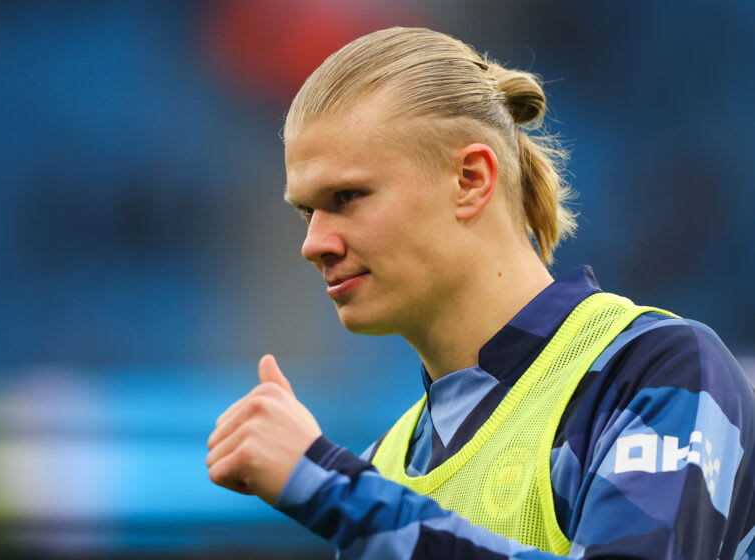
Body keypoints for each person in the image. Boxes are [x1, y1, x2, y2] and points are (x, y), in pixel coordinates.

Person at [205, 27, 755, 559]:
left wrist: (331, 487)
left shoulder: (655, 372)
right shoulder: (383, 466)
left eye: (346, 196)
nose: (313, 244)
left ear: (470, 179)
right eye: (307, 212)